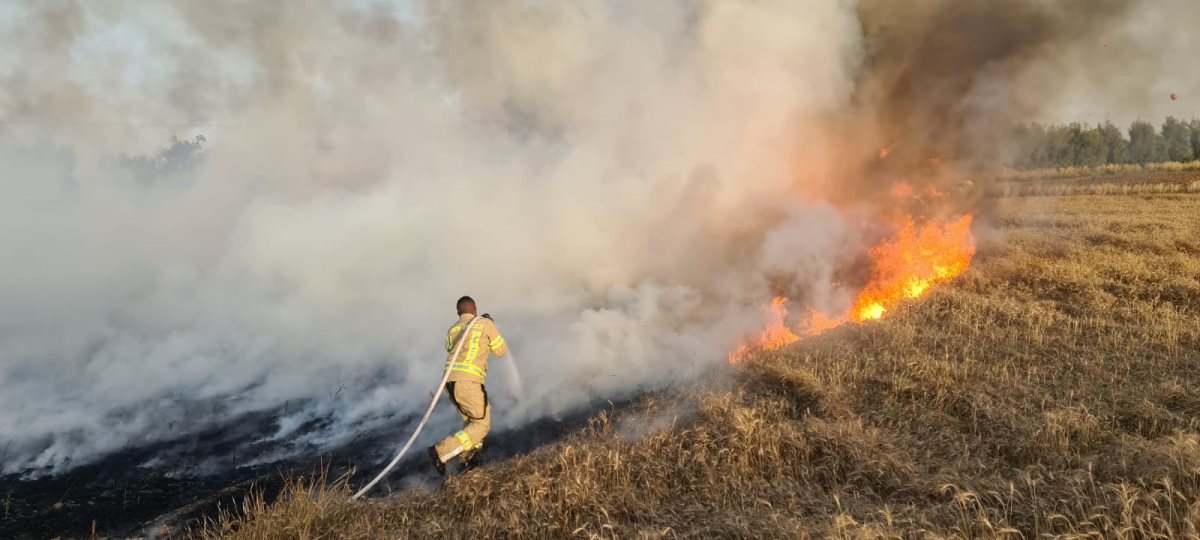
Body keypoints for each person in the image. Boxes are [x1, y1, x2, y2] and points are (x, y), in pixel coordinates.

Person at [428, 295, 508, 474]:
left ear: (459, 313)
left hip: (450, 384)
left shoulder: (452, 329)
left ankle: (468, 461)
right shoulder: (485, 324)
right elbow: (501, 350)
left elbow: (450, 348)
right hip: (468, 382)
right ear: (475, 310)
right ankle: (441, 451)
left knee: (473, 421)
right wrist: (490, 324)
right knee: (482, 425)